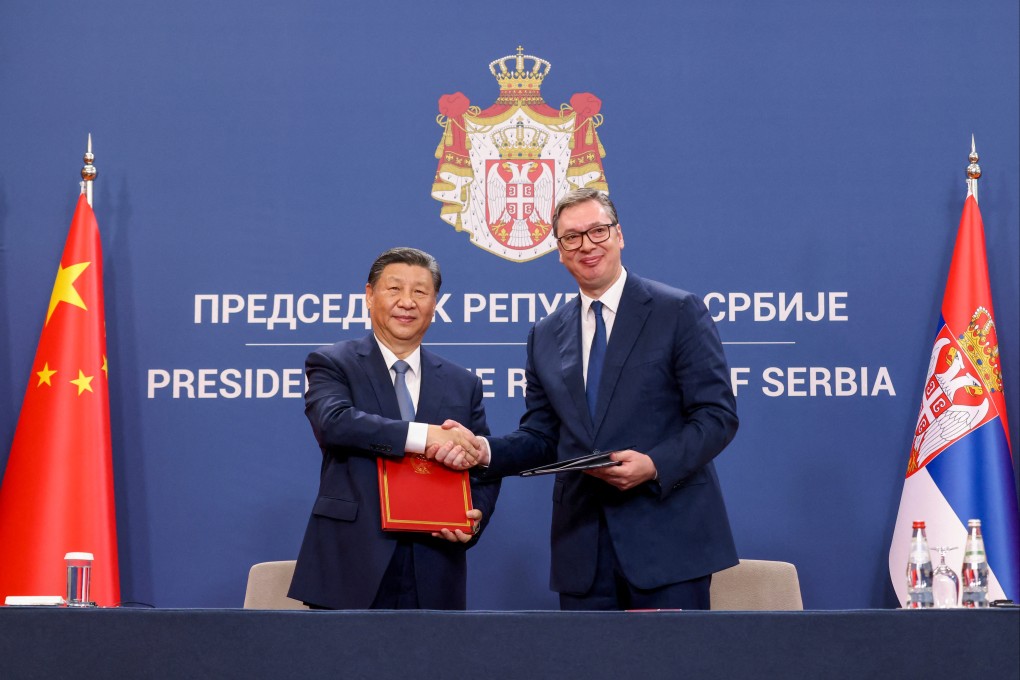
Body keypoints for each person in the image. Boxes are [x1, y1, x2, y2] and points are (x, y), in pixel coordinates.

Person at [435, 188, 738, 610]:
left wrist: (654, 465)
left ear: (619, 236)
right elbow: (542, 436)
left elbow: (716, 415)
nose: (586, 245)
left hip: (668, 541)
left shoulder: (678, 311)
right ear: (560, 252)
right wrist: (482, 450)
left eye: (598, 231)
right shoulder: (545, 334)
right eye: (571, 238)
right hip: (583, 551)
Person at [289, 247, 498, 610]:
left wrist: (474, 516)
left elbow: (482, 463)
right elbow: (334, 423)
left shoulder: (462, 383)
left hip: (435, 563)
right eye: (394, 289)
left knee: (431, 667)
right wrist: (425, 435)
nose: (407, 302)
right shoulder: (331, 363)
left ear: (435, 304)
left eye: (420, 292)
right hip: (351, 561)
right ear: (369, 296)